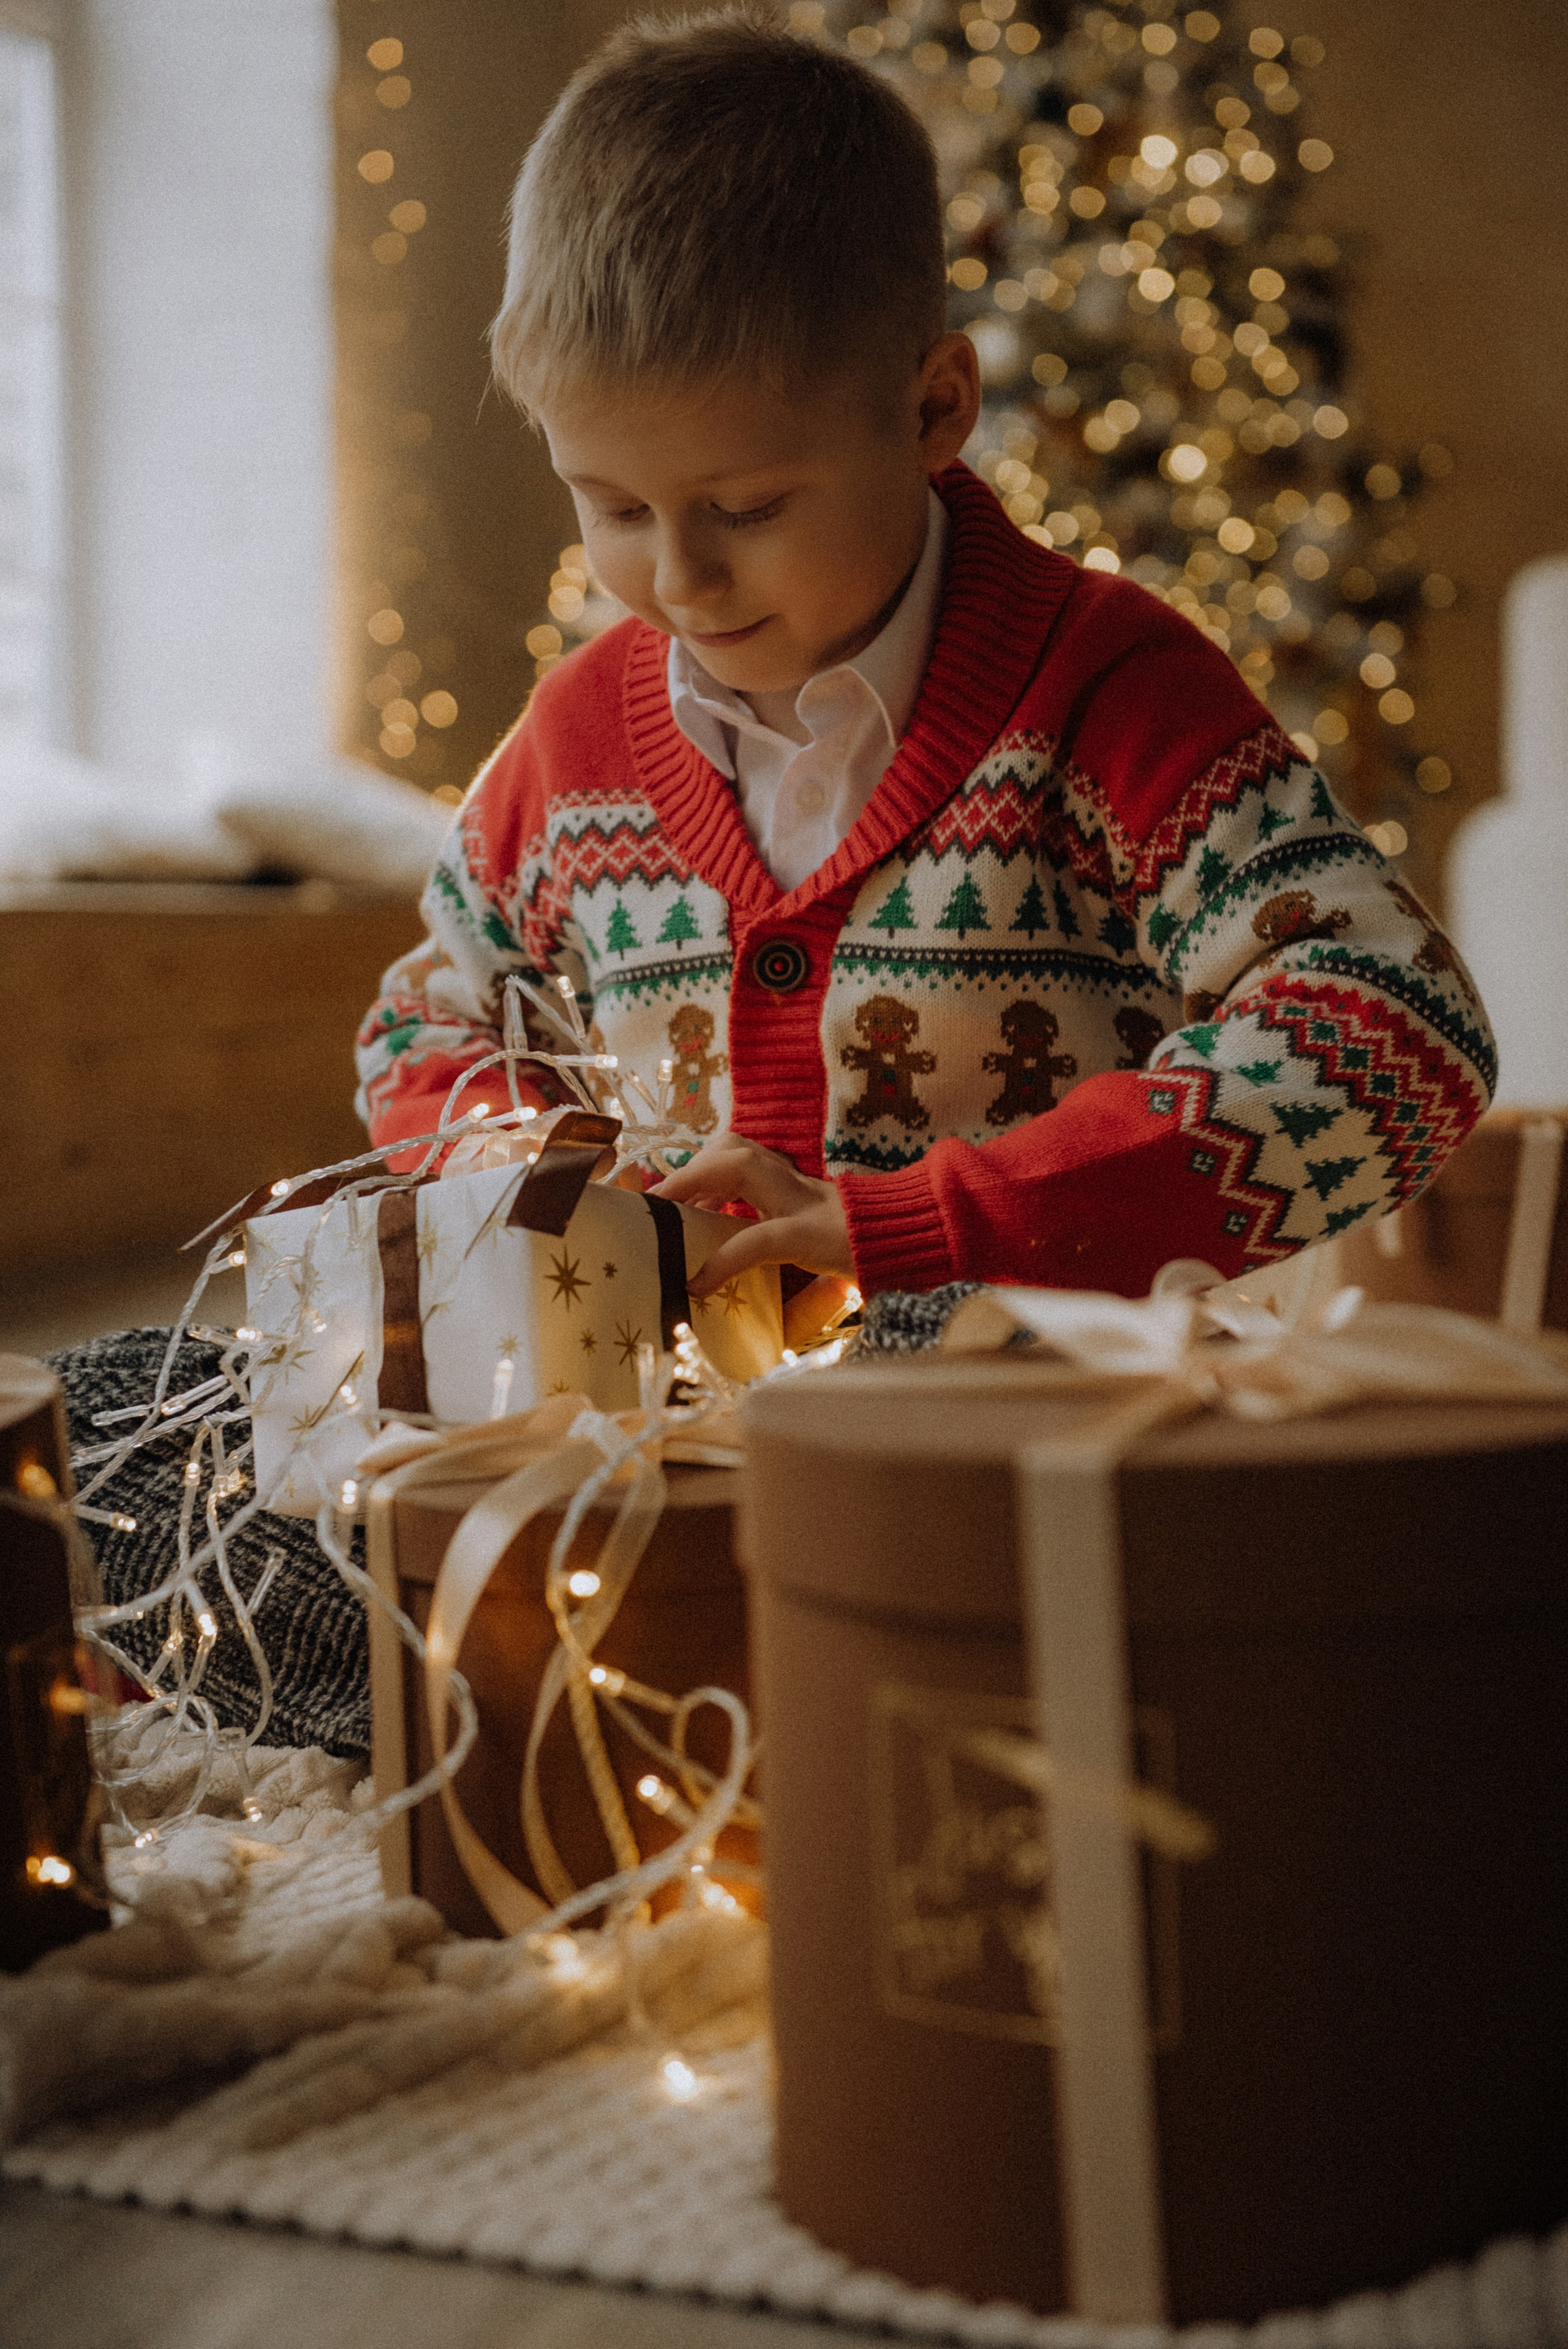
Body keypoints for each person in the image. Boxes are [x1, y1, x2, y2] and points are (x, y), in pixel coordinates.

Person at [357, 6, 1493, 1313]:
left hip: (1051, 1442)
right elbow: (423, 1029)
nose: (677, 580)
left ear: (933, 408)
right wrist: (541, 1179)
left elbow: (1395, 1028)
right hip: (670, 1466)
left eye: (746, 508)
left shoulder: (1102, 695)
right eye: (613, 507)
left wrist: (943, 1218)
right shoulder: (570, 748)